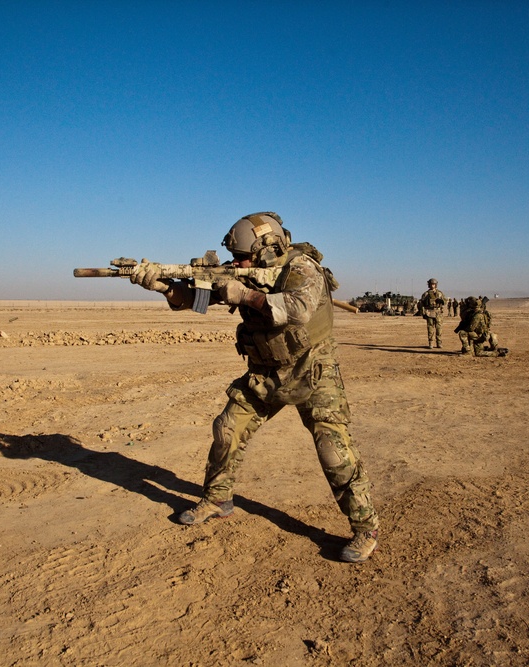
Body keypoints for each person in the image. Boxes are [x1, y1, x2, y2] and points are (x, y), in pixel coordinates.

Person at [129, 212, 380, 563]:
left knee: (333, 450)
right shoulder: (241, 272)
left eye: (242, 257)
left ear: (266, 248)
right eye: (234, 257)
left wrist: (245, 296)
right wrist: (163, 286)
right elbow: (195, 299)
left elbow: (298, 309)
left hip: (313, 371)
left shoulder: (302, 268)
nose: (236, 263)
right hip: (265, 373)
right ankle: (218, 499)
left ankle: (365, 527)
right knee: (226, 428)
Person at [418, 278, 447, 348]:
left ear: (436, 285)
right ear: (429, 285)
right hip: (429, 312)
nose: (432, 285)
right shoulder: (426, 294)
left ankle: (439, 342)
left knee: (439, 328)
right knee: (430, 328)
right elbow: (421, 304)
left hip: (438, 312)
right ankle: (431, 342)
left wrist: (442, 301)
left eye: (434, 284)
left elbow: (445, 301)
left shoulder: (440, 293)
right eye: (431, 284)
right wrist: (423, 312)